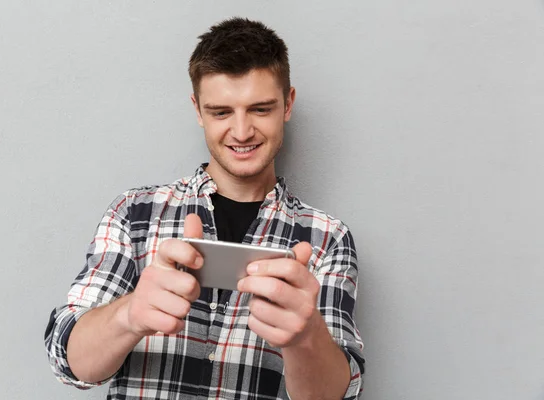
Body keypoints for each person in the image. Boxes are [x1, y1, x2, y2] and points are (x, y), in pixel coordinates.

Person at [45, 17, 365, 399]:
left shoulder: (328, 239)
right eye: (221, 112)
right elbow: (67, 360)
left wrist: (305, 336)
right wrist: (129, 315)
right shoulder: (135, 213)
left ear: (288, 105)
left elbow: (338, 395)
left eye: (260, 109)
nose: (242, 131)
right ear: (198, 110)